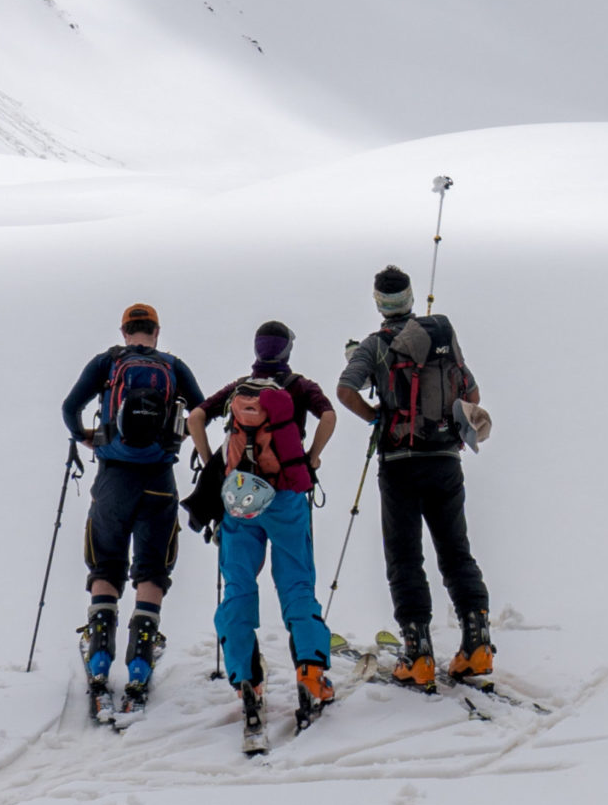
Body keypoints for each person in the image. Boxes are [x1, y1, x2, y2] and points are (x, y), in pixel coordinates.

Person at [337, 265, 493, 691]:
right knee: (456, 552)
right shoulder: (441, 337)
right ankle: (477, 645)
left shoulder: (375, 345)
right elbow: (472, 394)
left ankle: (417, 654)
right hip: (445, 458)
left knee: (405, 558)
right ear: (410, 299)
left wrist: (377, 417)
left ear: (378, 302)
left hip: (400, 461)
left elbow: (346, 390)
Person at [186, 321, 339, 730]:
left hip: (239, 497)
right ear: (287, 349)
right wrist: (310, 457)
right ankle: (310, 674)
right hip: (287, 496)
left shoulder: (241, 388)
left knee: (239, 585)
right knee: (296, 584)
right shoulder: (299, 386)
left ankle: (247, 683)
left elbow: (195, 417)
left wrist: (210, 464)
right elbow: (329, 416)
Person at [60, 302, 205, 715]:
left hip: (112, 478)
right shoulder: (173, 366)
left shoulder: (108, 363)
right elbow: (201, 412)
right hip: (159, 480)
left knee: (106, 564)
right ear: (156, 331)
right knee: (152, 568)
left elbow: (69, 407)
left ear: (125, 332)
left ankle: (101, 655)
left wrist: (88, 437)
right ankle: (140, 664)